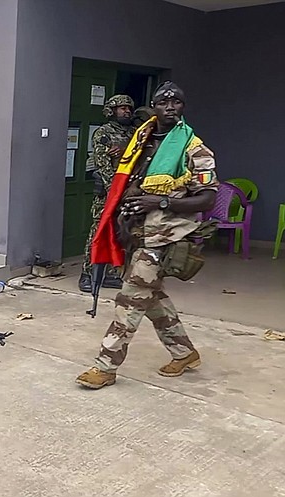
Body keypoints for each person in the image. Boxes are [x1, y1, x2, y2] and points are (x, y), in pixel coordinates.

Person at [76, 81, 218, 389]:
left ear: (183, 107)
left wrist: (162, 201)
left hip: (163, 237)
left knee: (130, 298)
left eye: (176, 102)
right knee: (151, 297)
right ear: (153, 106)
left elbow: (208, 198)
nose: (170, 107)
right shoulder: (140, 140)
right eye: (163, 102)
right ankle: (184, 352)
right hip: (134, 232)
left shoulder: (194, 148)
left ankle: (105, 366)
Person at [79, 94, 137, 293]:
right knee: (97, 232)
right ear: (112, 111)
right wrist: (115, 189)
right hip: (108, 193)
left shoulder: (135, 133)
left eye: (128, 108)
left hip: (128, 191)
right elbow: (102, 162)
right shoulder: (103, 133)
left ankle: (112, 274)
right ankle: (87, 274)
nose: (126, 111)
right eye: (122, 108)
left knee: (121, 232)